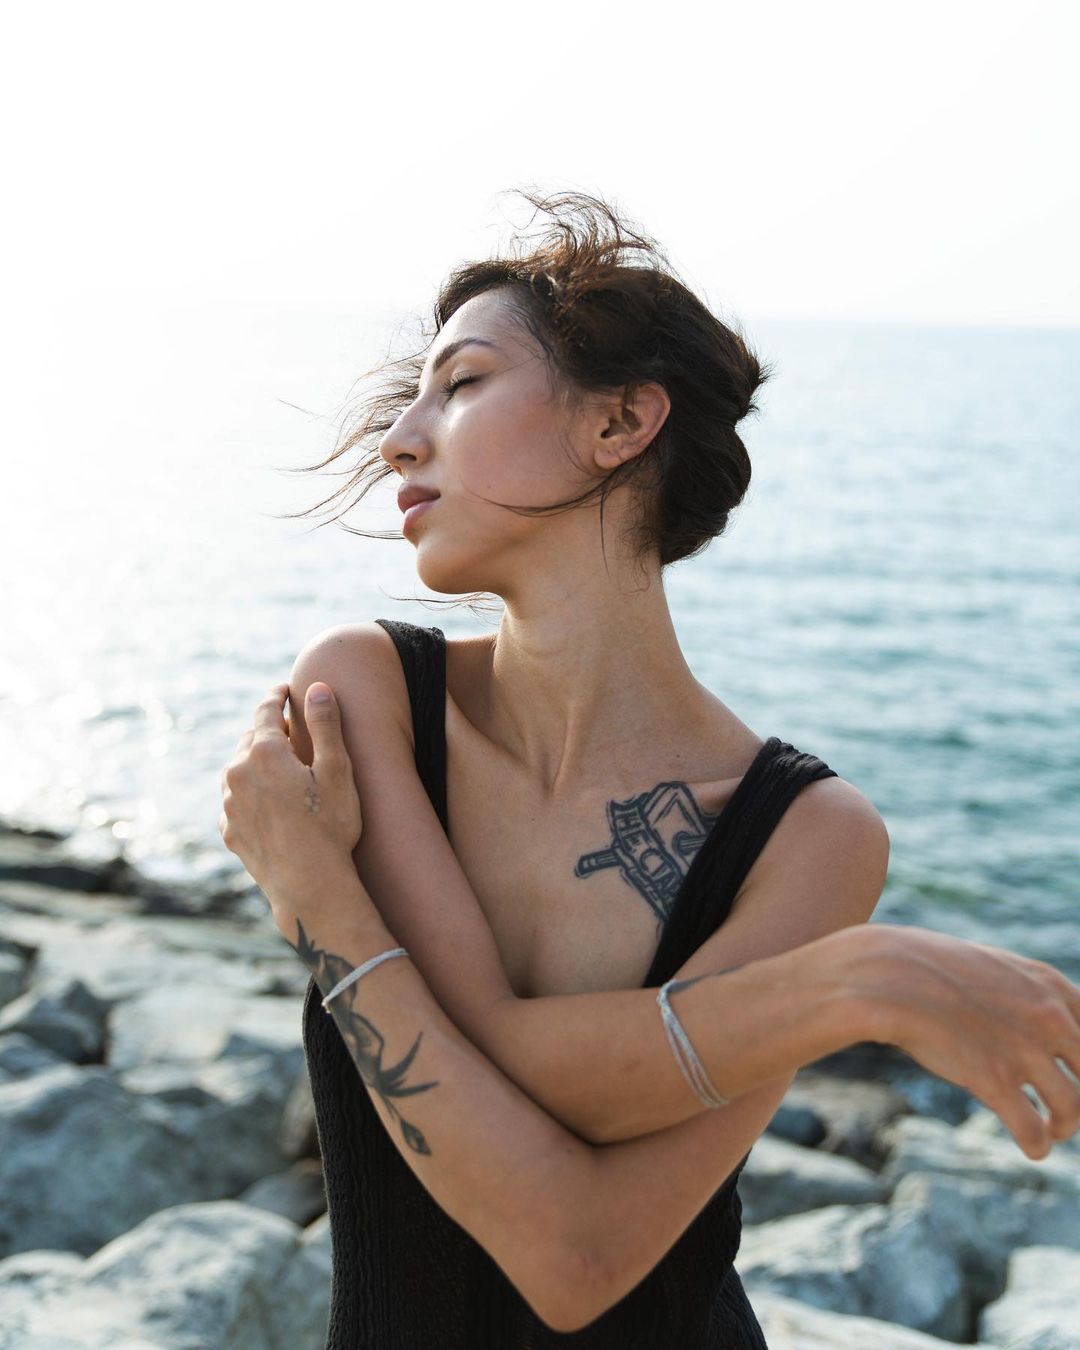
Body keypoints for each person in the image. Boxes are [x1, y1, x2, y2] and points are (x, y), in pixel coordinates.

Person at [222, 189, 1080, 1349]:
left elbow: (575, 1258)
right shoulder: (365, 696)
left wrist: (321, 899)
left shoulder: (807, 836)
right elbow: (492, 1044)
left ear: (622, 423)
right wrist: (849, 987)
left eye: (462, 383)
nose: (400, 439)